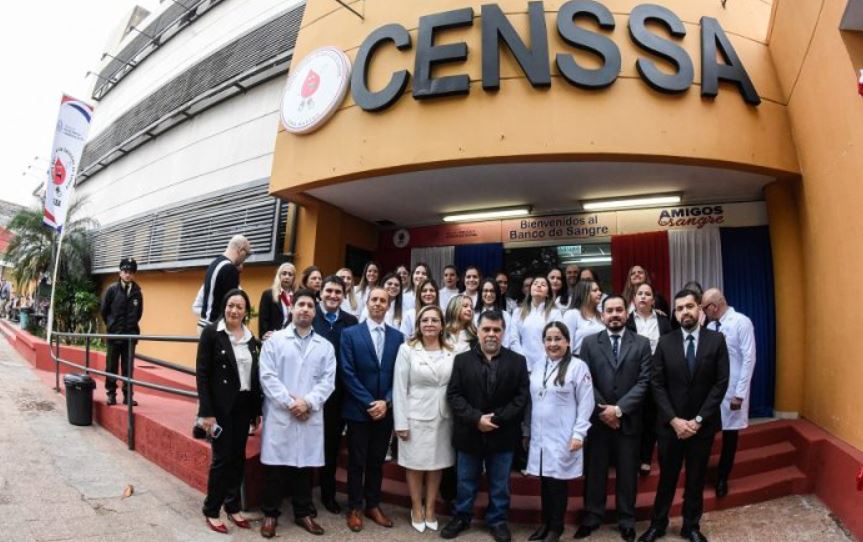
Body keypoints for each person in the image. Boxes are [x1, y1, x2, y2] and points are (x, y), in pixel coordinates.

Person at [638, 290, 729, 542]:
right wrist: (674, 420)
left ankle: (691, 526)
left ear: (699, 309)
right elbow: (657, 384)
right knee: (666, 478)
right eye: (679, 308)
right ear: (675, 314)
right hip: (671, 427)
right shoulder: (665, 343)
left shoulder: (716, 340)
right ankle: (658, 524)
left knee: (696, 478)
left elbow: (720, 384)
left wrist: (698, 420)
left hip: (702, 426)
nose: (685, 312)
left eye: (689, 306)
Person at [441, 310, 530, 542]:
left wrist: (495, 420)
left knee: (500, 484)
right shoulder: (461, 360)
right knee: (465, 481)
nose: (491, 334)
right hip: (469, 432)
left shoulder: (518, 361)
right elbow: (454, 395)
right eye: (486, 329)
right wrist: (476, 419)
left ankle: (498, 520)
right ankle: (462, 516)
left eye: (496, 330)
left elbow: (521, 398)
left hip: (502, 434)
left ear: (503, 332)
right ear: (478, 331)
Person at [259, 288, 335, 538]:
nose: (305, 309)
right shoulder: (275, 340)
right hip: (282, 414)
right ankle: (270, 514)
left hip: (308, 415)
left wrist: (308, 403)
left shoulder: (324, 346)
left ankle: (303, 513)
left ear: (315, 312)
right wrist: (290, 403)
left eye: (310, 306)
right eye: (301, 304)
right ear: (291, 308)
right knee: (275, 470)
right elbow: (267, 377)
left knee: (304, 468)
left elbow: (327, 381)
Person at [576, 295, 652, 542]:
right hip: (598, 422)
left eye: (619, 309)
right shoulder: (589, 343)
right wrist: (605, 412)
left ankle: (627, 520)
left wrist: (618, 410)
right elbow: (586, 382)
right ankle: (591, 517)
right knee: (595, 472)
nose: (615, 314)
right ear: (603, 315)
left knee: (628, 474)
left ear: (626, 314)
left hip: (628, 421)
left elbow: (644, 382)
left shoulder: (641, 344)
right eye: (610, 311)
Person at [195, 288, 262, 534]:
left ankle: (233, 506)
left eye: (239, 307)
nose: (234, 310)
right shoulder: (213, 333)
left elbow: (253, 376)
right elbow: (202, 374)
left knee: (237, 458)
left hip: (244, 406)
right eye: (230, 305)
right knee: (222, 459)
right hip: (220, 408)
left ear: (246, 311)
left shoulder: (249, 336)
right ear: (224, 306)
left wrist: (256, 410)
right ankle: (211, 510)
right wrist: (206, 412)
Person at [339, 287, 403, 532]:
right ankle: (354, 507)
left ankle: (372, 504)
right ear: (367, 302)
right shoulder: (350, 333)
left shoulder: (398, 337)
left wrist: (385, 402)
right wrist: (369, 402)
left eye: (383, 300)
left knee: (377, 461)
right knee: (356, 461)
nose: (378, 303)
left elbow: (399, 374)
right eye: (374, 299)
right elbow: (347, 372)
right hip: (358, 409)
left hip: (384, 411)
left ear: (388, 305)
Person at [525, 322, 593, 542]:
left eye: (558, 339)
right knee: (545, 481)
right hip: (540, 435)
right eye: (548, 339)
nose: (553, 344)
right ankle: (545, 523)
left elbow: (586, 403)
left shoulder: (578, 366)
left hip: (564, 435)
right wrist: (527, 432)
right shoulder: (538, 365)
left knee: (557, 483)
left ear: (567, 341)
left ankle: (557, 527)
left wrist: (579, 434)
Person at [393, 305, 456, 533]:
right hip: (415, 416)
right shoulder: (407, 350)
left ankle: (430, 509)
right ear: (418, 325)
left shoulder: (452, 351)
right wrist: (400, 422)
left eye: (434, 320)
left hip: (444, 417)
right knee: (416, 465)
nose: (429, 324)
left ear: (442, 325)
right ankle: (416, 508)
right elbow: (399, 388)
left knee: (436, 465)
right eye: (425, 320)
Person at [701, 288, 756, 498]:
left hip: (732, 389)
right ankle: (702, 473)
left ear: (714, 306)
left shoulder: (741, 322)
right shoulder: (711, 325)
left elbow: (749, 358)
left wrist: (740, 393)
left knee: (730, 435)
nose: (704, 313)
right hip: (711, 390)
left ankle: (723, 478)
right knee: (706, 430)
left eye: (705, 308)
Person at [313, 276, 359, 515]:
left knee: (330, 447)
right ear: (320, 292)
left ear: (344, 295)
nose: (332, 296)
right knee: (307, 445)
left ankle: (328, 495)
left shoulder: (351, 322)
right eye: (329, 291)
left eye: (337, 292)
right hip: (310, 395)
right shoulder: (310, 316)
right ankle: (302, 496)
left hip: (339, 396)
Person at [626, 283, 673, 477]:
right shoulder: (627, 322)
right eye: (640, 294)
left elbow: (670, 348)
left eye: (647, 294)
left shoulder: (663, 321)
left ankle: (646, 458)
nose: (643, 297)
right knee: (634, 417)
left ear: (653, 300)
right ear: (634, 299)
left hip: (658, 375)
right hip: (634, 376)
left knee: (653, 417)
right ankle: (632, 457)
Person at [100, 257, 144, 406]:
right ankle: (111, 394)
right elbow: (104, 311)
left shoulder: (137, 291)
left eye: (131, 272)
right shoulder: (112, 290)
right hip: (114, 335)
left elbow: (139, 314)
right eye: (125, 271)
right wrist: (111, 325)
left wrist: (130, 328)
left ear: (134, 274)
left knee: (128, 368)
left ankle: (128, 396)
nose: (128, 274)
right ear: (120, 272)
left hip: (130, 336)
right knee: (111, 366)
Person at [198, 235, 251, 333]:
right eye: (247, 254)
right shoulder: (230, 269)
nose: (245, 259)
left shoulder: (214, 264)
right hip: (217, 328)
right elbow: (232, 305)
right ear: (240, 250)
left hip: (204, 324)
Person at [512, 276, 564, 373]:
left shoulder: (555, 313)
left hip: (548, 363)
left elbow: (557, 339)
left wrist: (544, 361)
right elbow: (514, 339)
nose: (539, 286)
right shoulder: (517, 312)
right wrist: (523, 361)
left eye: (543, 285)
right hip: (522, 363)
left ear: (548, 293)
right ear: (530, 289)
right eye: (535, 284)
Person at [474, 278, 521, 352]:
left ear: (497, 293)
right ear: (480, 293)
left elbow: (508, 341)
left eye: (492, 291)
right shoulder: (474, 315)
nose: (489, 294)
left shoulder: (505, 316)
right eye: (485, 291)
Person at [563, 280, 604, 356]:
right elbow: (567, 343)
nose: (600, 293)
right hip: (580, 359)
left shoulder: (601, 315)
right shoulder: (572, 314)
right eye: (595, 291)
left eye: (599, 290)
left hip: (601, 360)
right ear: (584, 293)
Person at [258, 263, 296, 340]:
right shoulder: (269, 294)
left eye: (290, 274)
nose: (287, 277)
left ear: (294, 278)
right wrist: (263, 335)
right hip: (273, 337)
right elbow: (263, 318)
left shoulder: (296, 296)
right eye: (284, 273)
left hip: (291, 337)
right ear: (279, 276)